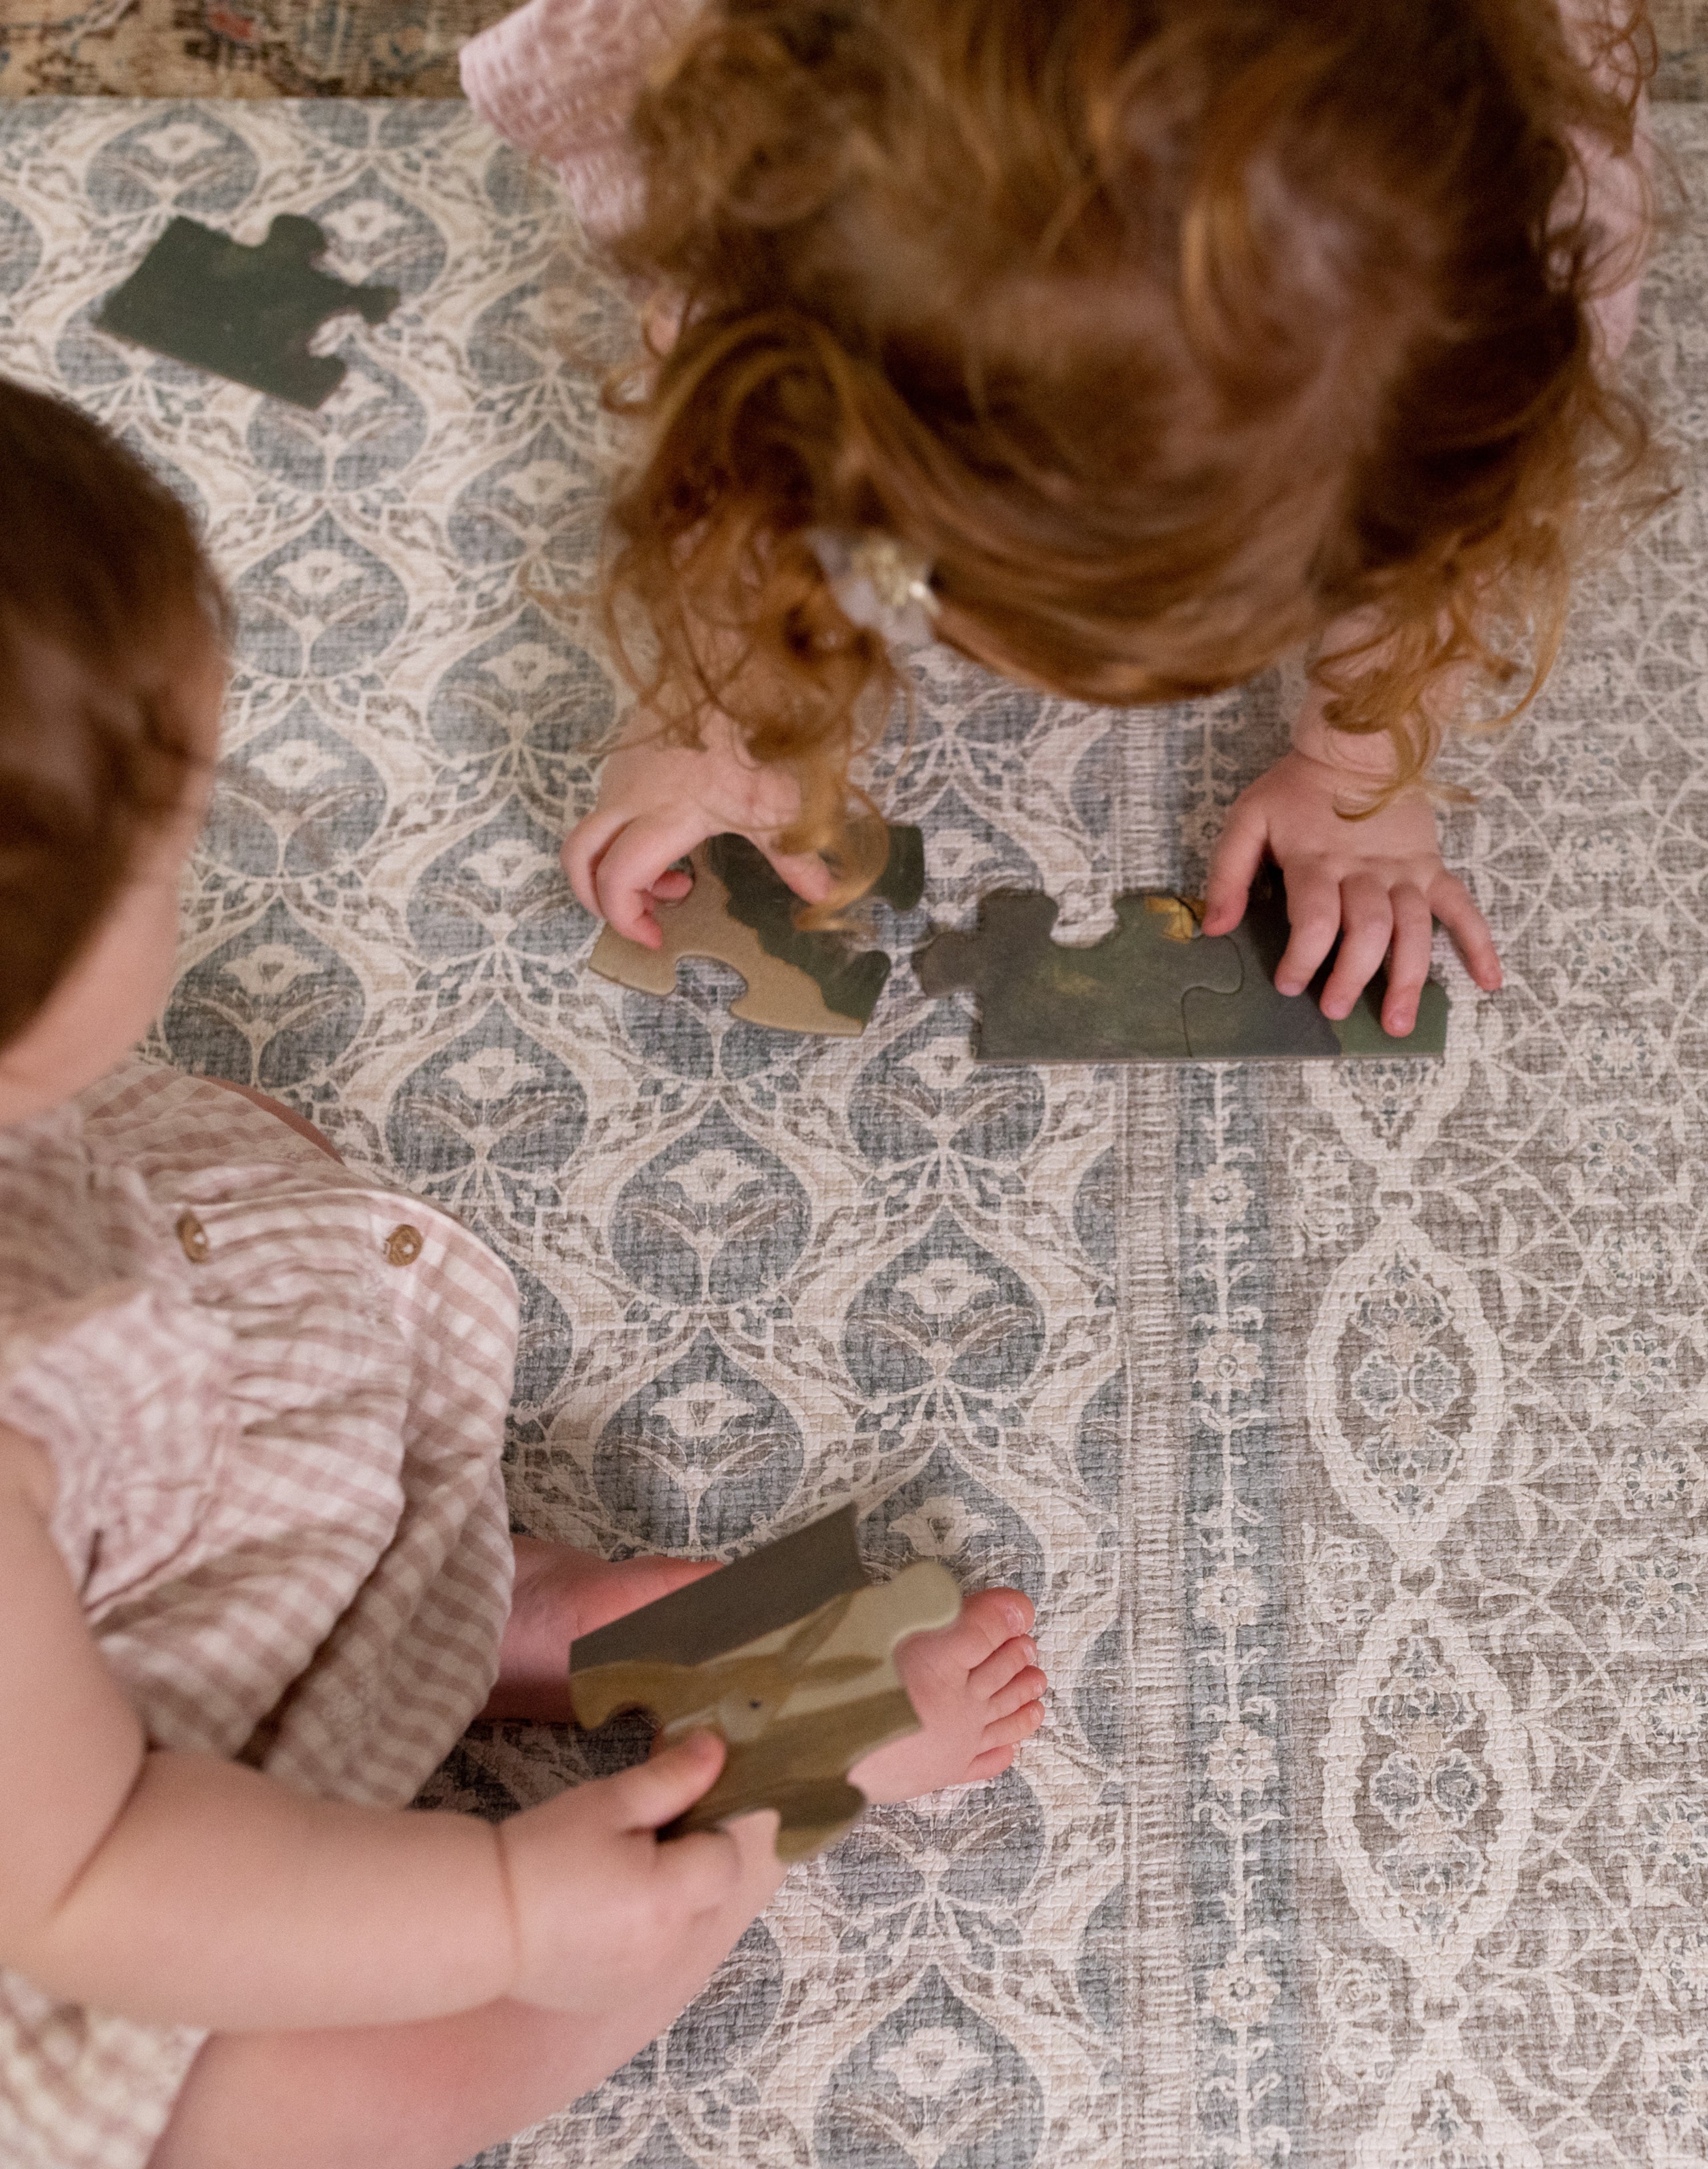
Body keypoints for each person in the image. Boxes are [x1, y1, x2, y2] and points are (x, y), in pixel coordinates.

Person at [0, 377, 1048, 2169]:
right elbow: (88, 1870)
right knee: (279, 2116)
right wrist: (502, 1913)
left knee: (247, 1182)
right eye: (176, 855)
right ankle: (746, 1812)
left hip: (111, 1516)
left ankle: (469, 1599)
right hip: (69, 1848)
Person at [463, 0, 1657, 1038]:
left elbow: (1447, 529)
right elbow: (738, 456)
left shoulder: (1506, 269)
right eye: (933, 589)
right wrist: (714, 709)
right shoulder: (748, 183)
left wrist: (1358, 772)